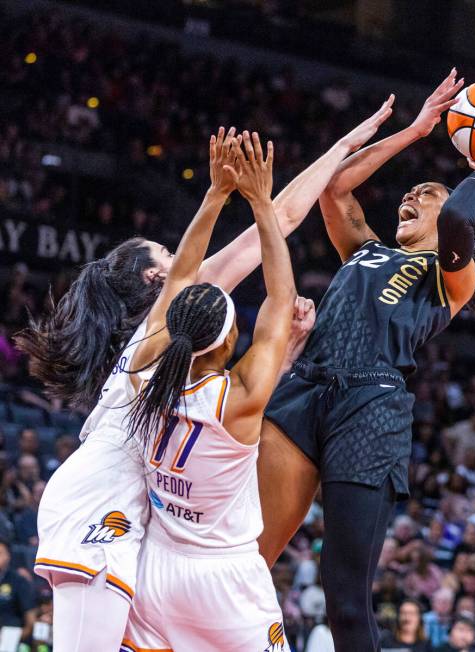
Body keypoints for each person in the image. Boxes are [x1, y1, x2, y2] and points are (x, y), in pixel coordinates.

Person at [26, 102, 396, 651]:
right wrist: (338, 148)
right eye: (173, 257)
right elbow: (283, 221)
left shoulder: (159, 355)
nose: (187, 262)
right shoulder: (156, 341)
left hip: (145, 531)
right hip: (98, 508)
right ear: (160, 276)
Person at [258, 69, 475, 651]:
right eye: (410, 192)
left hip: (370, 408)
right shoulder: (365, 250)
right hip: (304, 389)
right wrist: (415, 130)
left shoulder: (449, 279)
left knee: (347, 602)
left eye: (425, 194)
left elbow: (460, 219)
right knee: (247, 554)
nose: (409, 196)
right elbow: (334, 190)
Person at [122, 133, 294, 650]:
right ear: (229, 340)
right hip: (226, 580)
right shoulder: (239, 398)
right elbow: (280, 298)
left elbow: (178, 278)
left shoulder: (142, 372)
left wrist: (215, 194)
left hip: (156, 568)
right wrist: (261, 203)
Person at [0, 540, 35, 645]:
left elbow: (30, 620)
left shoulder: (18, 581)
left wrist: (12, 640)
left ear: (8, 556)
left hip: (10, 635)